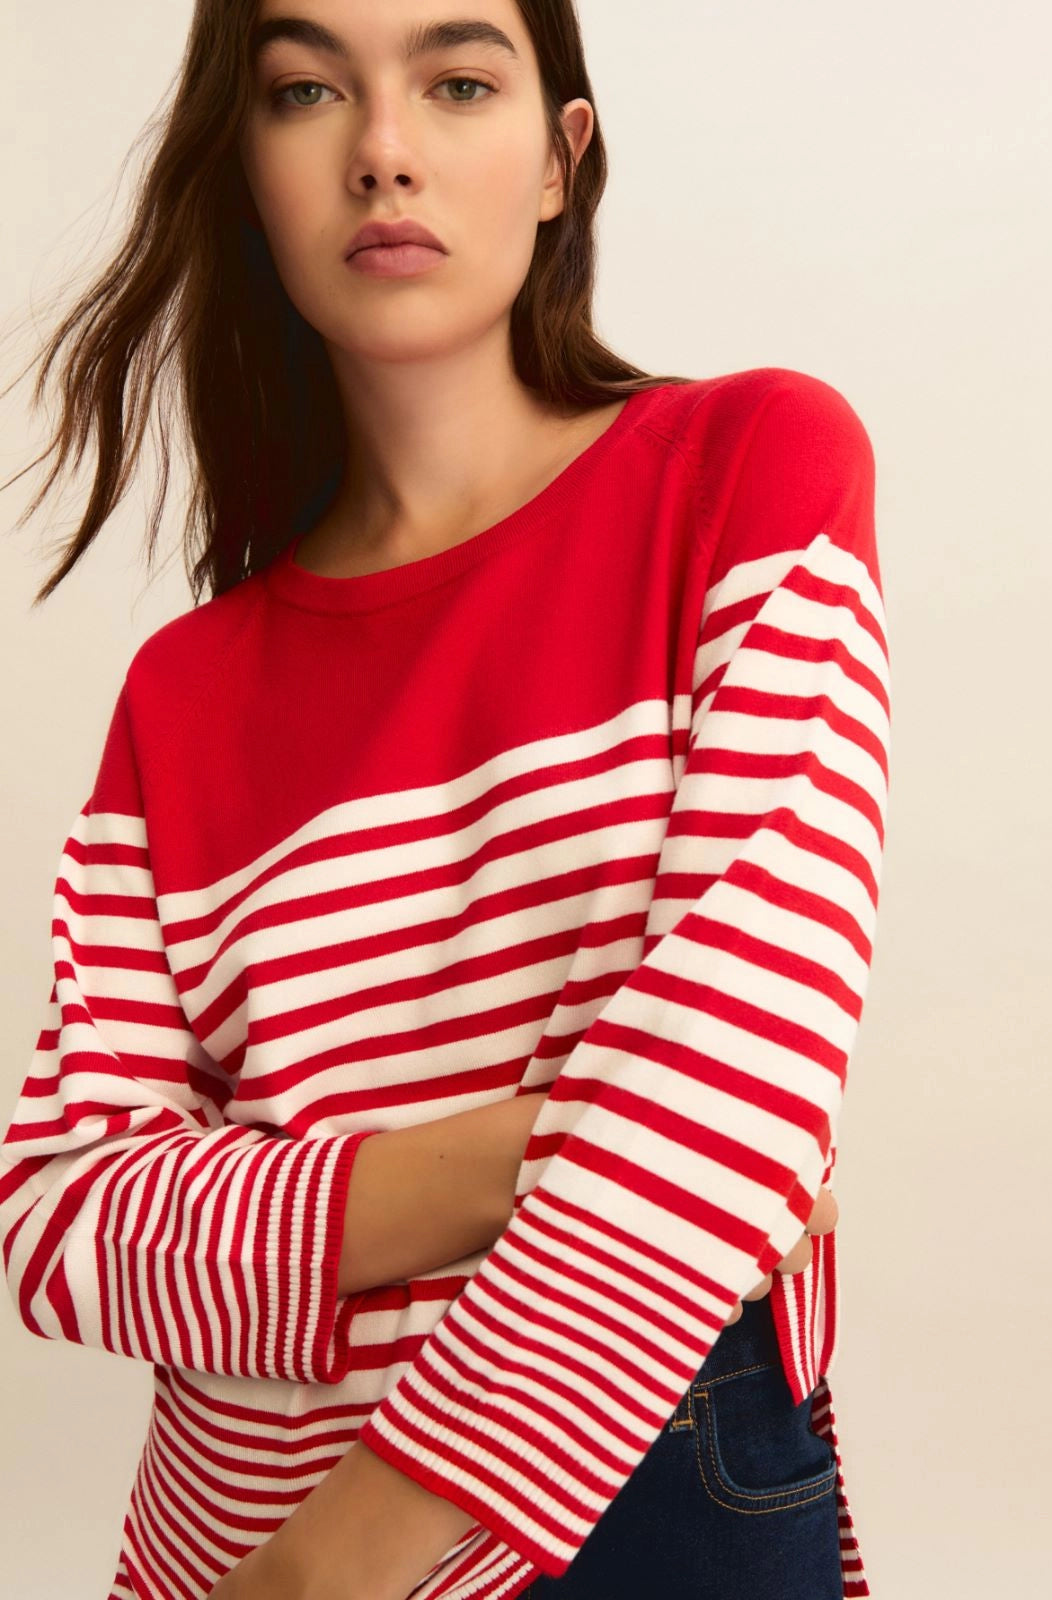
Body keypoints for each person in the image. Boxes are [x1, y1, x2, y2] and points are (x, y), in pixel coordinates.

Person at [0, 3, 890, 1597]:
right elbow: (62, 1227)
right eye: (306, 91)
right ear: (247, 169)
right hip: (228, 1520)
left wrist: (322, 1573)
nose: (384, 150)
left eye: (459, 81)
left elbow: (738, 1069)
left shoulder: (743, 476)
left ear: (560, 160)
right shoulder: (182, 694)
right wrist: (520, 1156)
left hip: (630, 1495)